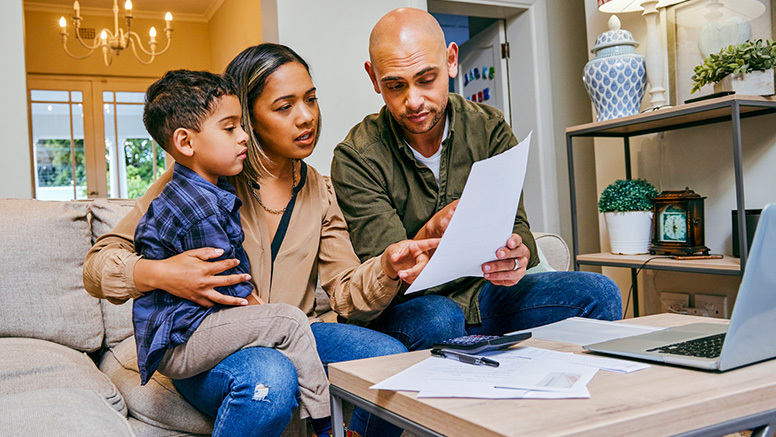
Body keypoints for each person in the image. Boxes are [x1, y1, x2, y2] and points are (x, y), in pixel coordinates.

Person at [83, 44, 439, 437]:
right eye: (284, 107)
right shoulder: (201, 179)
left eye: (311, 99)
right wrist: (161, 273)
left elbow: (345, 293)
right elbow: (98, 266)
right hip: (215, 344)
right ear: (248, 118)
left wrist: (387, 268)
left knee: (388, 361)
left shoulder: (319, 189)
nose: (306, 117)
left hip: (296, 332)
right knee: (272, 377)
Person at [330, 8, 623, 351]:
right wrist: (432, 230)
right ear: (374, 78)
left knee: (600, 292)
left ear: (452, 61)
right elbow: (388, 273)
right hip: (413, 306)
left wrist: (517, 254)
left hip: (485, 294)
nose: (413, 101)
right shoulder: (357, 156)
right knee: (437, 317)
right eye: (395, 86)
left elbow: (518, 224)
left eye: (426, 79)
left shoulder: (489, 127)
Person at [131, 69, 332, 434]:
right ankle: (323, 422)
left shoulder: (203, 190)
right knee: (287, 322)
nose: (243, 137)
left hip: (190, 329)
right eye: (230, 128)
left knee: (285, 324)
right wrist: (264, 313)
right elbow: (229, 284)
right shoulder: (196, 206)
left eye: (241, 125)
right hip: (185, 339)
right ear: (186, 142)